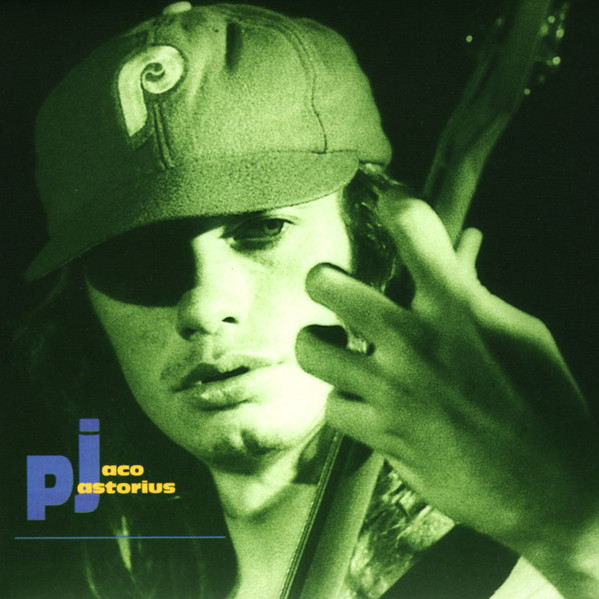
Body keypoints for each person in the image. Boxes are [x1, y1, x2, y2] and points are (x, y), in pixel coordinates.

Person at [8, 2, 599, 598]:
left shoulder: (537, 568)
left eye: (264, 230)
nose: (204, 308)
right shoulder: (104, 574)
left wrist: (572, 537)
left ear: (373, 247)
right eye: (138, 261)